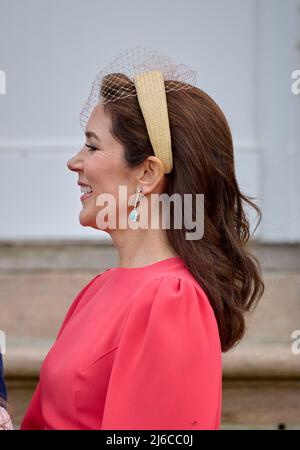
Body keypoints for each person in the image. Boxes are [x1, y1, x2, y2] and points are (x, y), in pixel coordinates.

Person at [20, 48, 264, 430]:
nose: (74, 161)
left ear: (148, 174)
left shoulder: (170, 302)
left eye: (93, 146)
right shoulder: (98, 289)